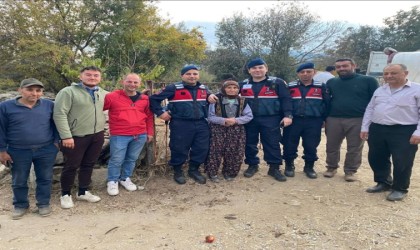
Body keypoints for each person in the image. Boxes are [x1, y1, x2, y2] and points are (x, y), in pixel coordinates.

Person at [0, 78, 59, 219]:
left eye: (38, 90)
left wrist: (56, 142)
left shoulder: (49, 105)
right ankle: (20, 205)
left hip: (46, 149)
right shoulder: (5, 107)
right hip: (18, 150)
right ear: (20, 90)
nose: (35, 93)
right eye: (30, 90)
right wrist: (2, 151)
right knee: (19, 180)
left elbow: (56, 124)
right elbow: (0, 129)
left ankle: (43, 204)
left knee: (45, 178)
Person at [361, 64, 420, 201]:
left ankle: (400, 188)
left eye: (393, 73)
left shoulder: (416, 90)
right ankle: (383, 182)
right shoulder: (381, 90)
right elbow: (370, 109)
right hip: (378, 128)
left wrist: (418, 132)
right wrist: (365, 127)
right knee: (377, 157)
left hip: (403, 130)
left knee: (402, 161)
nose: (389, 76)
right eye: (386, 73)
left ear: (405, 73)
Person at [150, 65, 216, 185]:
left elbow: (210, 97)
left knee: (201, 148)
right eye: (188, 74)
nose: (192, 76)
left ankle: (193, 170)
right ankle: (178, 170)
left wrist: (210, 95)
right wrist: (160, 113)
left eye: (195, 74)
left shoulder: (204, 88)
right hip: (181, 123)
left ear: (198, 75)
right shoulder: (173, 88)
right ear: (182, 76)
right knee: (179, 147)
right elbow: (153, 99)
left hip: (201, 123)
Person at [53, 66, 107, 208]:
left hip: (97, 135)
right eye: (88, 75)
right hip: (75, 136)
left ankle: (83, 191)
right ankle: (65, 194)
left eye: (96, 75)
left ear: (100, 78)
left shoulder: (103, 93)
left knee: (89, 164)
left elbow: (122, 98)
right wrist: (66, 136)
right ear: (80, 76)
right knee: (71, 165)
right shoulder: (68, 92)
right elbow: (59, 114)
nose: (92, 77)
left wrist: (142, 94)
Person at [324, 58, 379, 181]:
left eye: (345, 66)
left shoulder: (368, 80)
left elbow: (375, 101)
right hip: (334, 118)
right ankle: (331, 167)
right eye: (338, 67)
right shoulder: (332, 82)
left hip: (358, 119)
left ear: (354, 65)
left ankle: (350, 171)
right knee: (331, 145)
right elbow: (327, 101)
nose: (341, 68)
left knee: (354, 147)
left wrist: (370, 121)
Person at [239, 58, 293, 182]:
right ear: (249, 70)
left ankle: (274, 168)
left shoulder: (277, 82)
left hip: (271, 118)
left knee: (272, 143)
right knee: (249, 143)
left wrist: (288, 115)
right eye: (254, 68)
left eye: (260, 67)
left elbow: (286, 99)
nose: (257, 70)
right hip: (249, 119)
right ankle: (253, 165)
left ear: (266, 68)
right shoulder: (242, 84)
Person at [104, 73, 154, 196]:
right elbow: (97, 109)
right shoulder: (112, 96)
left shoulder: (144, 99)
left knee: (132, 158)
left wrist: (150, 132)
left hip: (140, 134)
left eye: (135, 82)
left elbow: (149, 116)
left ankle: (125, 178)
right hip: (120, 134)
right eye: (129, 81)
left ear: (139, 84)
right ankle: (112, 181)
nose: (132, 84)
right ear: (123, 82)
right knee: (116, 159)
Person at [283, 63, 330, 179]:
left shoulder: (321, 86)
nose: (305, 74)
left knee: (311, 145)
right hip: (293, 120)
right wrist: (286, 116)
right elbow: (285, 102)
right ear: (298, 74)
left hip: (313, 121)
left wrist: (324, 119)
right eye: (302, 72)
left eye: (308, 71)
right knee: (289, 144)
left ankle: (309, 167)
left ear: (314, 72)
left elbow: (327, 104)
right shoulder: (290, 86)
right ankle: (289, 166)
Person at [204, 80, 253, 182]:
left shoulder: (242, 101)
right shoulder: (216, 100)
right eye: (229, 87)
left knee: (234, 151)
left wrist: (236, 120)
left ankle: (229, 172)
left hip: (236, 129)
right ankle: (212, 173)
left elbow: (249, 116)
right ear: (224, 88)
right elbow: (210, 116)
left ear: (238, 90)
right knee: (215, 150)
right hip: (218, 129)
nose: (232, 90)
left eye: (235, 88)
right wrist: (223, 121)